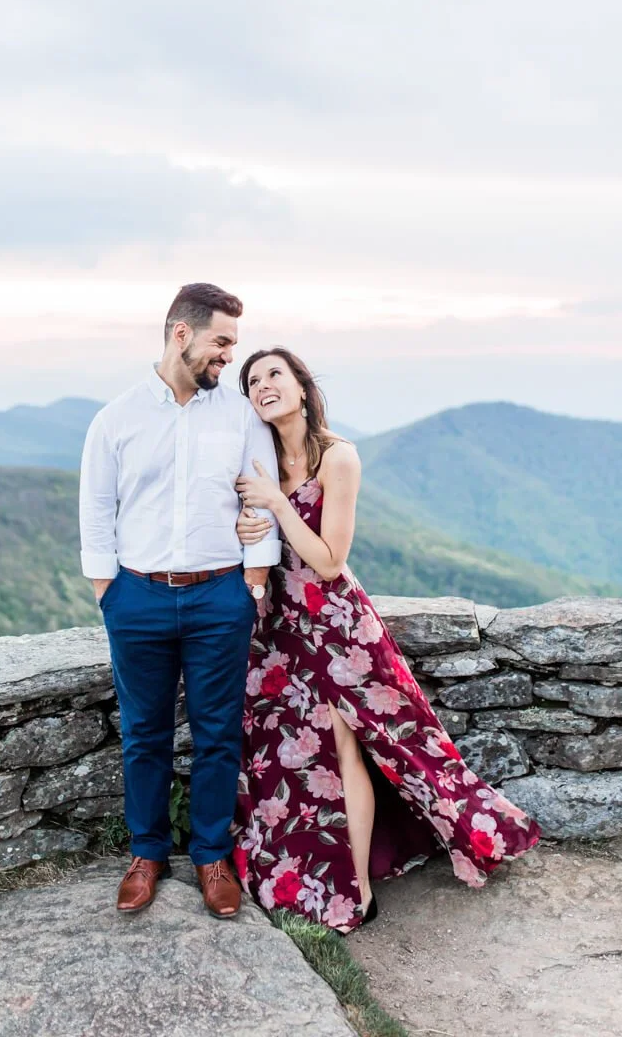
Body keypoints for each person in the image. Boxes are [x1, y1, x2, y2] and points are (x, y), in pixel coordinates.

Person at [231, 347, 541, 933]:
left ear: (301, 385)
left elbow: (328, 560)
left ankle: (358, 892)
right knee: (294, 752)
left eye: (275, 374)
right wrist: (251, 522)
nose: (263, 385)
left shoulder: (338, 456)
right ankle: (310, 872)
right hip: (278, 629)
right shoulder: (259, 457)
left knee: (358, 747)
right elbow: (252, 536)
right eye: (252, 381)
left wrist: (274, 504)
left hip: (337, 625)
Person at [79, 284, 281, 919]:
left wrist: (254, 576)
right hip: (136, 596)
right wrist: (107, 589)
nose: (229, 357)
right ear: (180, 334)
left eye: (233, 345)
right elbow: (96, 509)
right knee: (144, 733)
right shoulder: (115, 420)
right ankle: (147, 853)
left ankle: (212, 856)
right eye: (222, 342)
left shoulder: (240, 417)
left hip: (220, 595)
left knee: (219, 731)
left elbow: (263, 496)